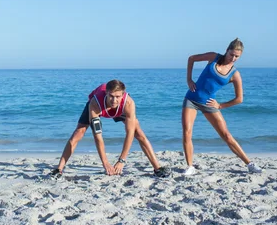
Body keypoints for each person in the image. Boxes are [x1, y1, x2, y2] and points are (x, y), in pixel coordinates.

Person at [49, 79, 171, 178]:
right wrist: (105, 163)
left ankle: (157, 168)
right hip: (98, 109)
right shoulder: (95, 103)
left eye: (118, 96)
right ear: (106, 93)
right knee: (78, 134)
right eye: (111, 96)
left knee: (138, 133)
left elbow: (129, 134)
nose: (114, 100)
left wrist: (121, 160)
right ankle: (59, 170)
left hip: (120, 111)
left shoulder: (128, 103)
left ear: (122, 95)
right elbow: (98, 136)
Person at [181, 38, 262, 175]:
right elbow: (191, 59)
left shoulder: (234, 74)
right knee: (187, 132)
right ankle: (190, 166)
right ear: (227, 51)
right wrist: (189, 79)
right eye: (232, 54)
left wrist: (220, 105)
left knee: (226, 135)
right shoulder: (213, 57)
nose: (233, 58)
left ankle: (249, 164)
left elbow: (239, 99)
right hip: (191, 99)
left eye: (237, 56)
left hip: (209, 104)